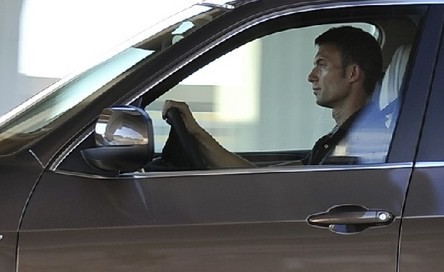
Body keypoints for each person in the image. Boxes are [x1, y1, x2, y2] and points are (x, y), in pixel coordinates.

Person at [161, 25, 383, 168]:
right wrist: (196, 133)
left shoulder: (359, 145)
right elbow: (261, 177)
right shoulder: (338, 139)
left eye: (322, 66)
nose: (311, 77)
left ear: (352, 73)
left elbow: (268, 186)